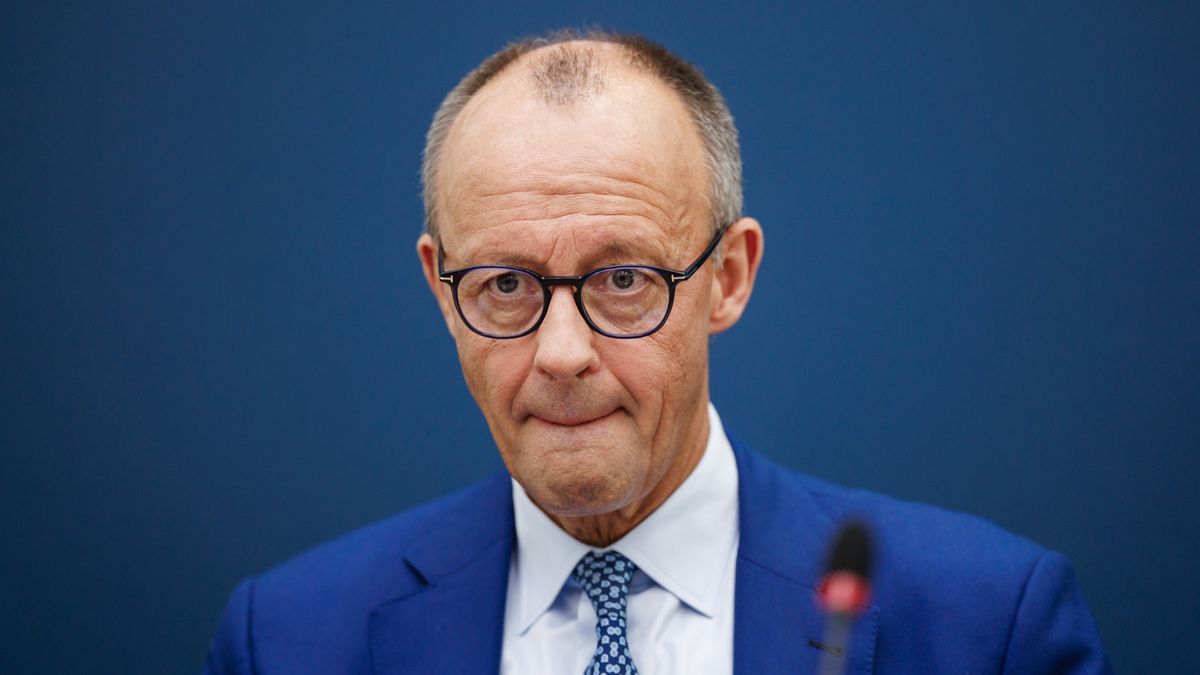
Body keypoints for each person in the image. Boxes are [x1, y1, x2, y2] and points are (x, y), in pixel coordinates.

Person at [205, 30, 1111, 674]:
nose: (562, 354)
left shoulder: (989, 624)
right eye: (507, 285)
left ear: (729, 276)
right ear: (443, 291)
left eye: (625, 278)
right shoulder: (286, 639)